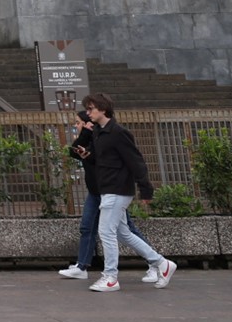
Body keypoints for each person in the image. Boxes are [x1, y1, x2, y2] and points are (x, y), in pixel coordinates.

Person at [80, 92, 175, 292]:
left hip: (117, 189)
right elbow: (101, 159)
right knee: (123, 233)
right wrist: (87, 155)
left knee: (106, 231)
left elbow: (135, 161)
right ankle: (161, 263)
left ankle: (111, 277)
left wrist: (146, 189)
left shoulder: (118, 133)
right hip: (109, 189)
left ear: (103, 109)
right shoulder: (99, 132)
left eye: (91, 108)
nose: (88, 112)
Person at [59, 101, 152, 282]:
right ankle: (83, 266)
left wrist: (145, 188)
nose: (75, 125)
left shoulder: (109, 135)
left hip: (112, 191)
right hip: (98, 192)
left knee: (122, 231)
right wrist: (85, 133)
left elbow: (135, 161)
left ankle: (153, 264)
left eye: (79, 121)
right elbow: (74, 152)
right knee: (90, 227)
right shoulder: (92, 137)